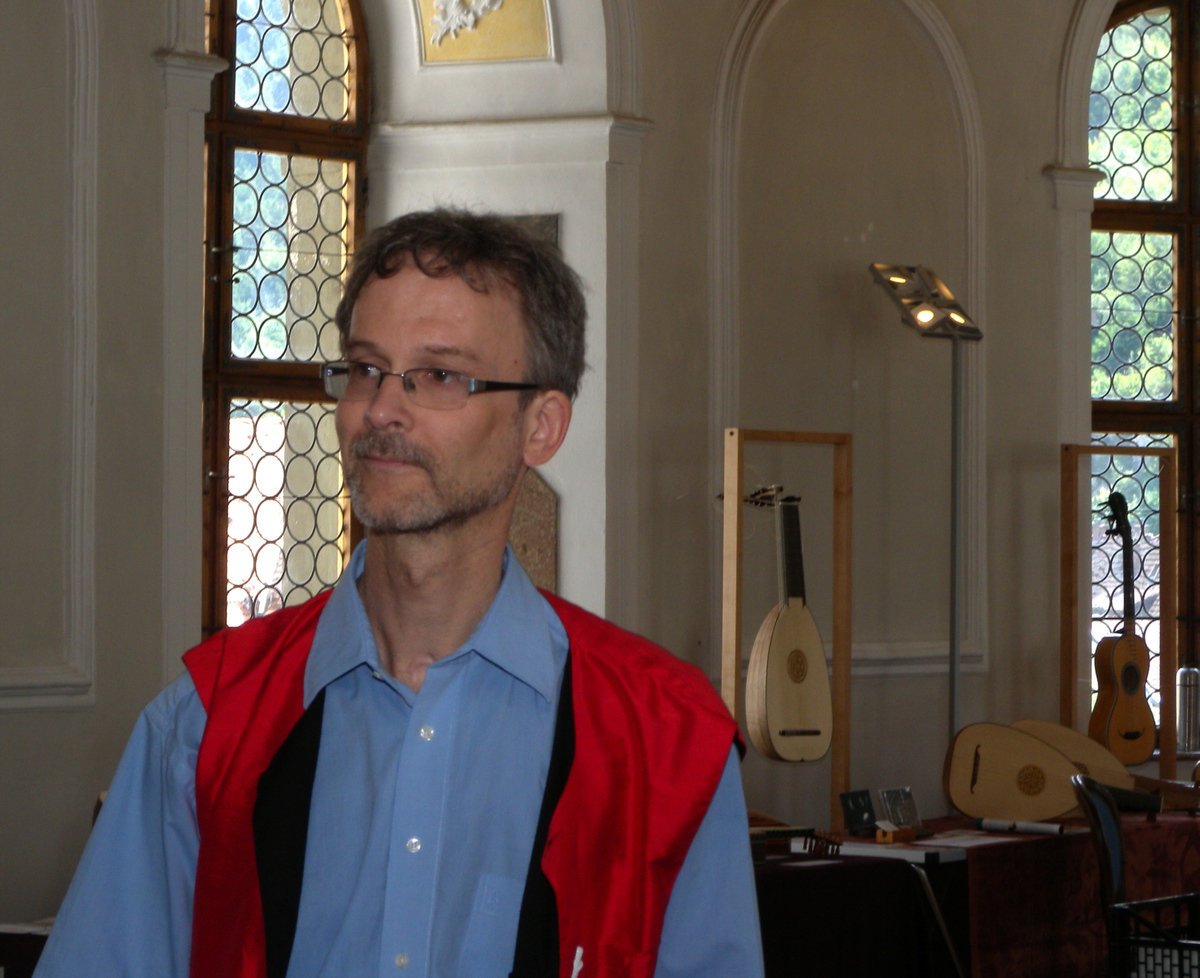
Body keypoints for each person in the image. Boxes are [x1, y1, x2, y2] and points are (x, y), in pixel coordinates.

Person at [34, 209, 764, 978]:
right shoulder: (203, 724)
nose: (381, 410)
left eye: (440, 376)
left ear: (541, 427)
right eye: (365, 369)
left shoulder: (667, 744)